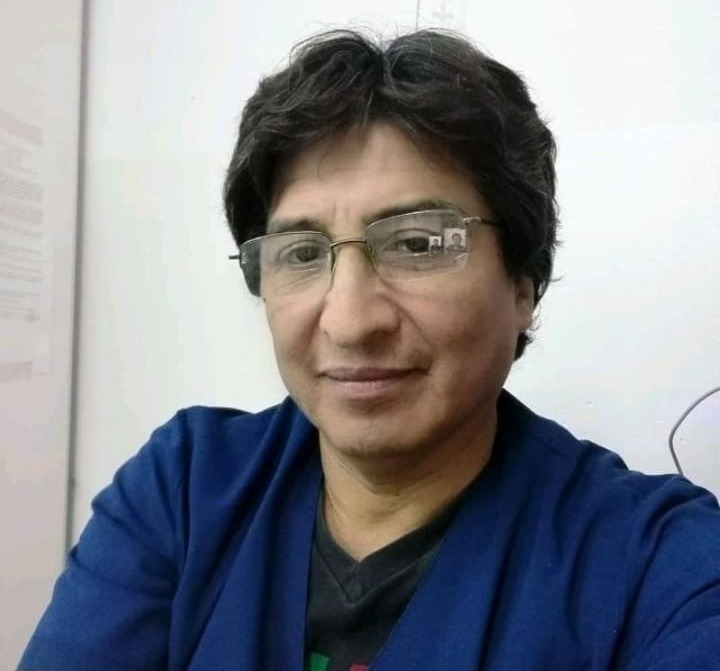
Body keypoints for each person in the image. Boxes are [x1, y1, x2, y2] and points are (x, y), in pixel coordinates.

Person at [19, 29, 720, 671]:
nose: (351, 322)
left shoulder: (659, 565)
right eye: (302, 252)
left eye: (417, 243)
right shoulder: (187, 493)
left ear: (523, 284)